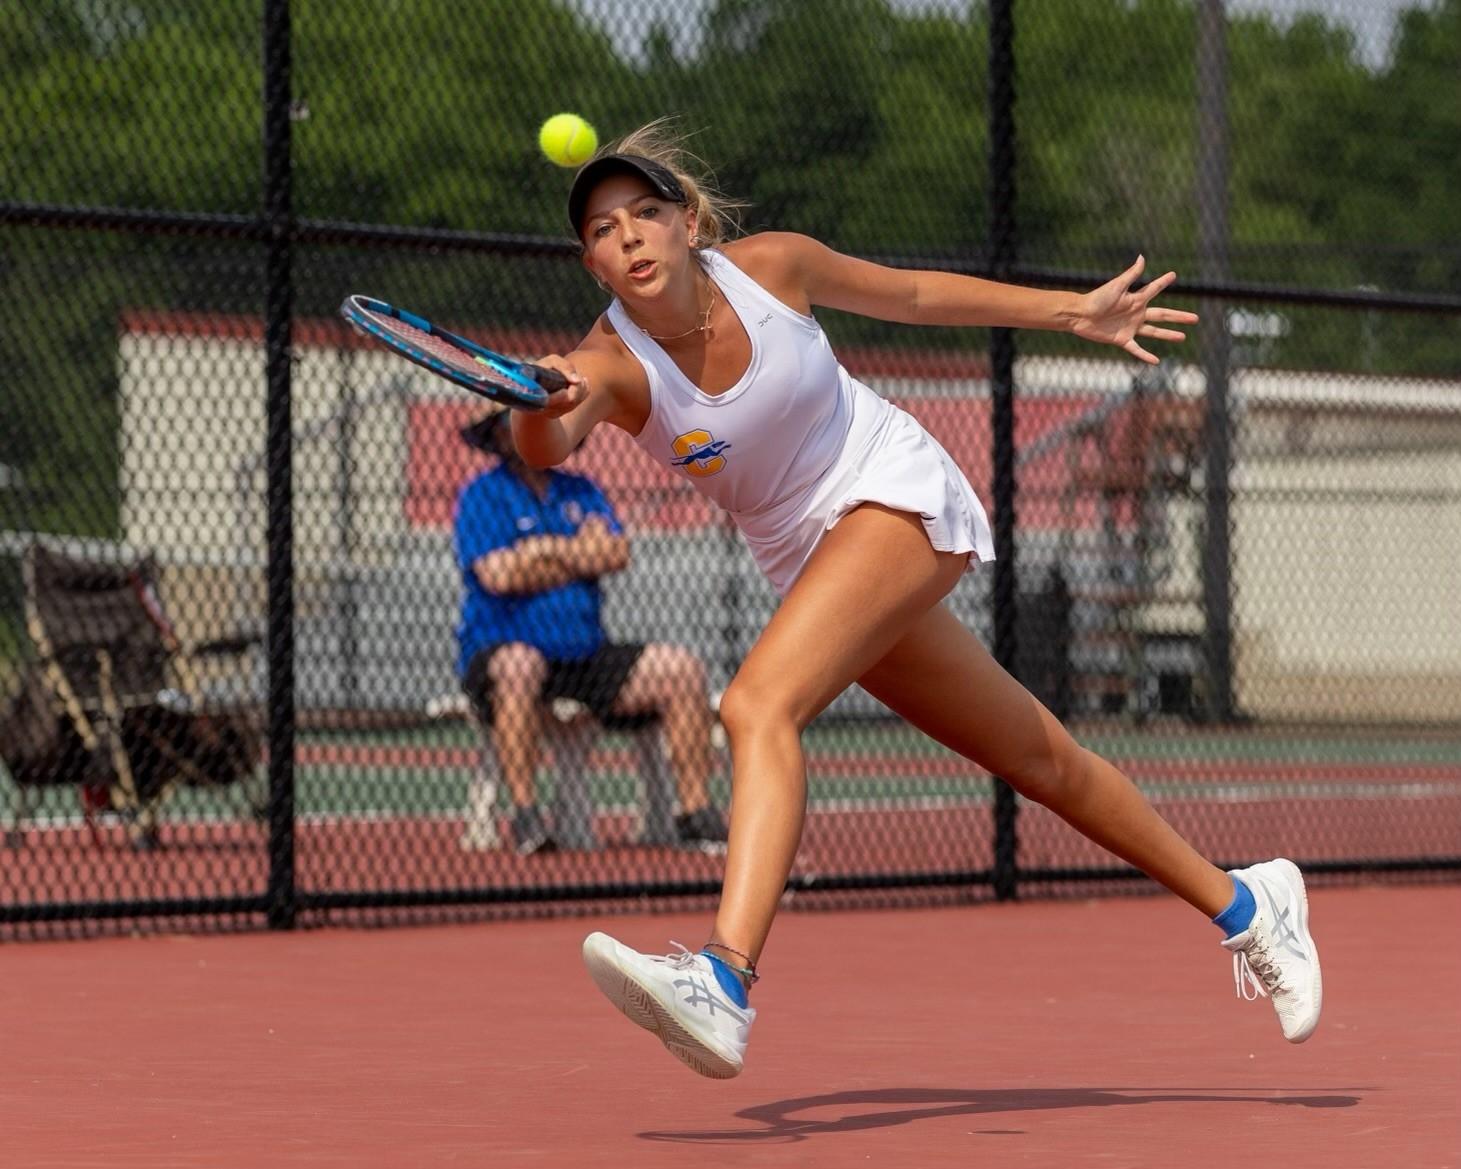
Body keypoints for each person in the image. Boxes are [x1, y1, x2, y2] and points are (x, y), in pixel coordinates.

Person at [509, 121, 1321, 1078]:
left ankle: (722, 981)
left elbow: (915, 294)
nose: (630, 237)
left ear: (687, 223)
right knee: (1038, 757)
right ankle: (1246, 902)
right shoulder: (606, 362)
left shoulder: (771, 268)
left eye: (646, 212)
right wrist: (536, 403)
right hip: (808, 559)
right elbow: (544, 452)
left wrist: (1072, 312)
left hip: (890, 488)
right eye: (604, 230)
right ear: (591, 261)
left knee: (755, 705)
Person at [453, 400, 730, 855]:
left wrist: (541, 552)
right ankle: (527, 817)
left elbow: (615, 554)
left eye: (543, 423)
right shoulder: (482, 495)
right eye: (519, 422)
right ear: (501, 435)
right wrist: (577, 553)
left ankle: (694, 812)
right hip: (504, 650)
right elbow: (498, 576)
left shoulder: (581, 490)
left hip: (584, 654)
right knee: (520, 667)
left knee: (681, 670)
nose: (533, 431)